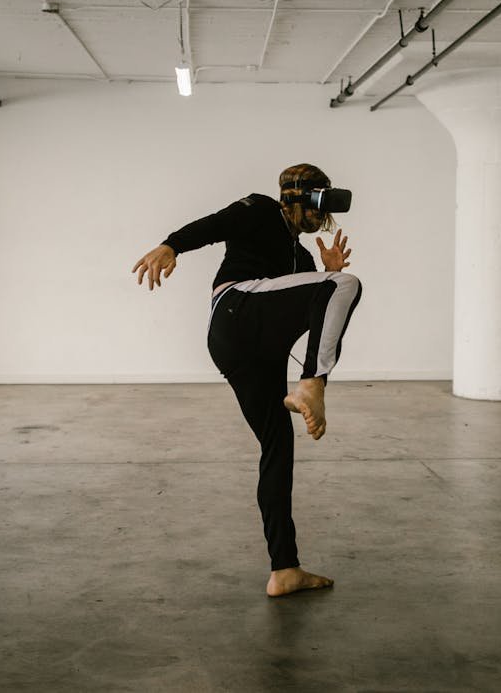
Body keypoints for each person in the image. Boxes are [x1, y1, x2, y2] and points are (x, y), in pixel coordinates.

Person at [131, 163, 362, 597]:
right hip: (237, 312)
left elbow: (311, 303)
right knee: (346, 285)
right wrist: (171, 245)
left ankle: (285, 569)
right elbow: (215, 225)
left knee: (278, 447)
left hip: (252, 351)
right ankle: (313, 382)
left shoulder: (301, 256)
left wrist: (321, 270)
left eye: (324, 207)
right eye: (314, 203)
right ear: (293, 197)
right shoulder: (259, 209)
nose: (319, 215)